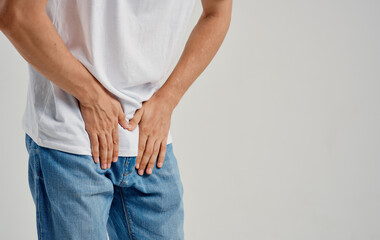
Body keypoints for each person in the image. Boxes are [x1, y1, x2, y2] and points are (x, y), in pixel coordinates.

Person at [0, 0, 232, 239]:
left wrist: (168, 98)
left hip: (149, 143)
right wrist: (90, 95)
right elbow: (17, 16)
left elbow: (217, 13)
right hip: (71, 133)